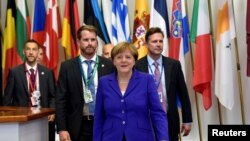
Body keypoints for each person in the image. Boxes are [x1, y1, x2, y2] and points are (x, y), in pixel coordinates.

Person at [93, 42, 169, 141]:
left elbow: (157, 113)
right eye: (119, 57)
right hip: (111, 137)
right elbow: (99, 117)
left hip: (141, 137)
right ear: (113, 61)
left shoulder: (146, 80)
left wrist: (163, 138)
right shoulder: (104, 82)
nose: (123, 60)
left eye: (128, 57)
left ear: (134, 61)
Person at [56, 25, 114, 141]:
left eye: (93, 40)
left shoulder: (108, 65)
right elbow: (61, 100)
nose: (90, 43)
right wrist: (62, 128)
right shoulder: (67, 67)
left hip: (104, 123)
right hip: (77, 125)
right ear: (78, 42)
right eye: (86, 40)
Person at [135, 27, 192, 141]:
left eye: (161, 41)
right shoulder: (137, 66)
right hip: (146, 122)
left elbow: (183, 93)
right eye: (154, 41)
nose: (158, 44)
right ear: (146, 44)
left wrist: (187, 119)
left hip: (170, 120)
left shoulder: (174, 65)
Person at [3, 39, 56, 141]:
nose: (31, 52)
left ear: (38, 52)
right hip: (21, 122)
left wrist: (52, 112)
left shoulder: (47, 72)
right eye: (28, 49)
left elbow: (53, 96)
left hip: (43, 120)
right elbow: (7, 98)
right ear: (24, 51)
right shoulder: (14, 72)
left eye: (34, 49)